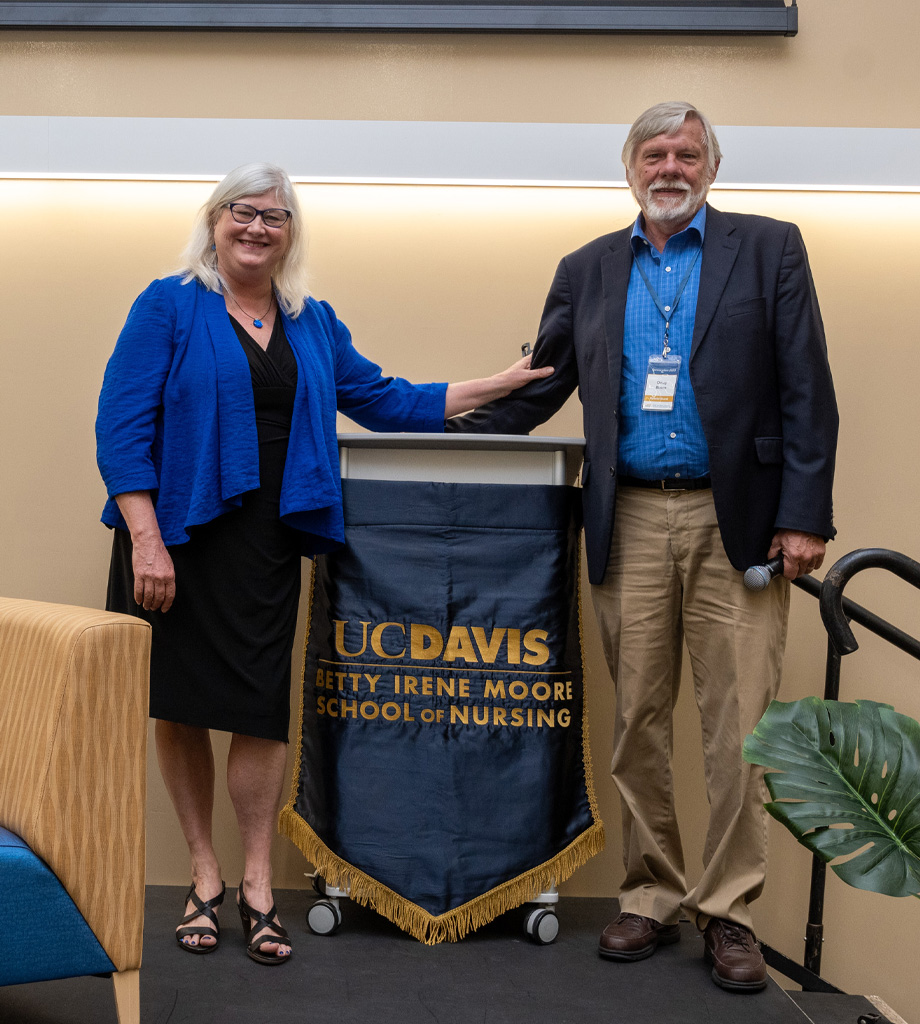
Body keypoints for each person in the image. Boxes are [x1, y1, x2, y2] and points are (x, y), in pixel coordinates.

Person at [96, 162, 551, 966]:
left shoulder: (311, 320)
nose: (257, 228)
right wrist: (144, 539)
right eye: (244, 212)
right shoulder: (167, 305)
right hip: (176, 541)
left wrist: (497, 384)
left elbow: (387, 399)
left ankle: (259, 882)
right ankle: (205, 876)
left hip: (269, 541)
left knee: (261, 710)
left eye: (275, 217)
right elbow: (121, 429)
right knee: (182, 705)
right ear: (215, 219)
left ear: (290, 233)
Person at [446, 102, 838, 992]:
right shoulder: (585, 269)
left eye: (687, 153)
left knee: (739, 727)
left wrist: (805, 514)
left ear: (711, 166)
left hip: (735, 522)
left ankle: (730, 911)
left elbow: (808, 386)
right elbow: (536, 389)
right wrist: (429, 416)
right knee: (638, 725)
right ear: (630, 169)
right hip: (625, 522)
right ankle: (650, 895)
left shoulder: (771, 248)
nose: (671, 166)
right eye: (654, 153)